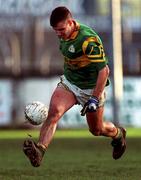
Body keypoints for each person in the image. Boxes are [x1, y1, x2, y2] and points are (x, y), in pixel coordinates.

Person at [23, 6, 126, 167]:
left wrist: (93, 98)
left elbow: (104, 71)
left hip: (91, 88)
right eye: (55, 30)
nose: (58, 33)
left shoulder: (87, 41)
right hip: (70, 83)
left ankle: (119, 134)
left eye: (61, 29)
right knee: (54, 112)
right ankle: (39, 150)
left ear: (71, 22)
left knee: (96, 130)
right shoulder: (64, 33)